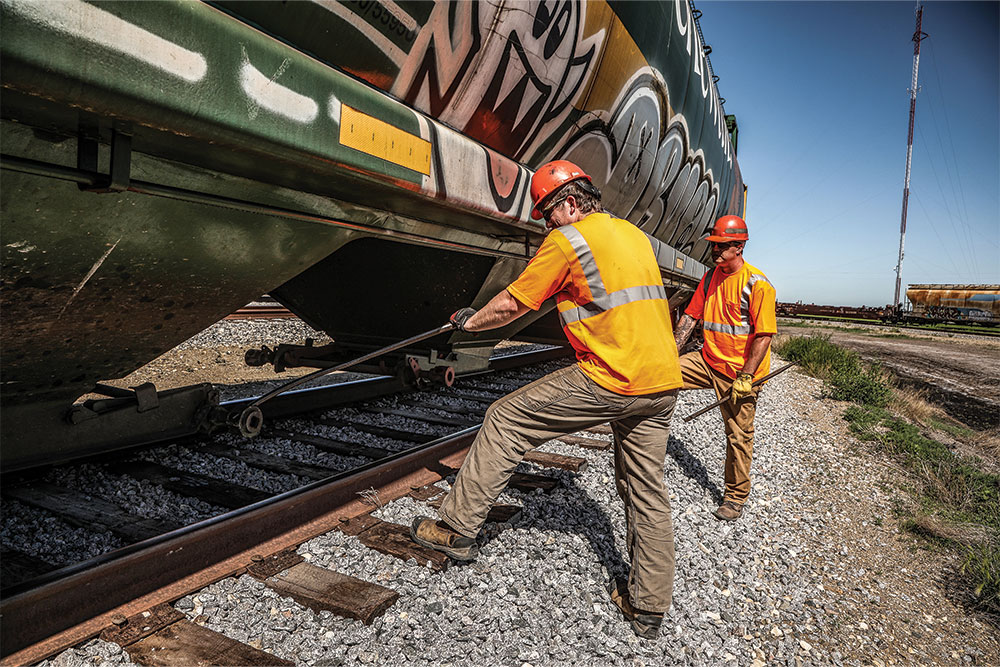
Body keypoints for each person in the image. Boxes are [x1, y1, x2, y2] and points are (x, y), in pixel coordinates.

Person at [409, 160, 683, 639]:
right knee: (646, 490)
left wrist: (468, 323)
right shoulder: (632, 235)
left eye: (546, 214)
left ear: (571, 204)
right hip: (661, 383)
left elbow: (514, 303)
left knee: (505, 418)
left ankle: (455, 529)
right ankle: (647, 607)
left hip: (613, 378)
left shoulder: (570, 240)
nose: (545, 225)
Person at [672, 215, 777, 522]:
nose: (714, 252)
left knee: (738, 435)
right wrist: (667, 354)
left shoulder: (757, 285)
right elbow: (690, 318)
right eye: (713, 246)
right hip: (708, 361)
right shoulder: (710, 278)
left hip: (741, 375)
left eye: (721, 246)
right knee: (660, 373)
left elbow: (764, 335)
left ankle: (735, 497)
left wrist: (747, 376)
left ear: (739, 246)